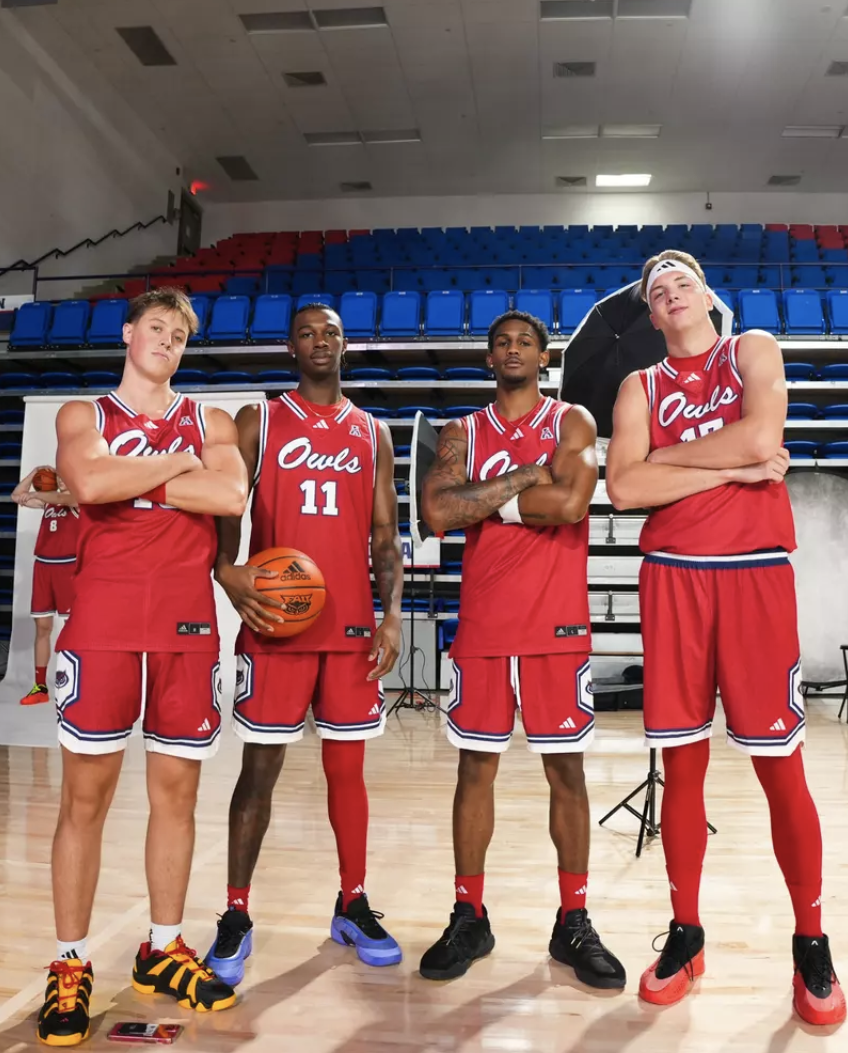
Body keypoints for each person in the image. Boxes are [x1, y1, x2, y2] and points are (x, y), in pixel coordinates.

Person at [605, 250, 845, 1026]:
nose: (669, 292)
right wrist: (734, 468)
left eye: (681, 280)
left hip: (754, 575)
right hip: (672, 578)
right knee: (682, 768)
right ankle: (686, 932)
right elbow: (624, 486)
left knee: (781, 768)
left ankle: (812, 941)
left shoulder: (752, 350)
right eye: (656, 290)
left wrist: (676, 458)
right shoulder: (638, 386)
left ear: (707, 294)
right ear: (651, 316)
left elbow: (759, 436)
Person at [36, 288, 248, 1048]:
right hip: (102, 626)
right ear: (129, 334)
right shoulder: (82, 417)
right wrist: (173, 468)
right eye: (155, 327)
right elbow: (86, 484)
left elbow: (229, 493)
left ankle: (162, 947)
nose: (167, 339)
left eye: (180, 333)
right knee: (83, 802)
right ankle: (70, 961)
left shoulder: (212, 422)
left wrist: (134, 473)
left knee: (177, 797)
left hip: (188, 627)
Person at [416, 310, 625, 988]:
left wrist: (487, 499)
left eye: (525, 343)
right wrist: (525, 479)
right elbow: (438, 512)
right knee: (474, 771)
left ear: (544, 358)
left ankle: (573, 920)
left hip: (555, 626)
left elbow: (570, 505)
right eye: (501, 342)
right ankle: (469, 912)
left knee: (566, 774)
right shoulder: (461, 432)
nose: (513, 350)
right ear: (488, 359)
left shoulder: (574, 423)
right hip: (482, 625)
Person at [206, 302, 404, 985]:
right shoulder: (260, 419)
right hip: (275, 622)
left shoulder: (372, 431)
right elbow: (225, 508)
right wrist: (227, 572)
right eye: (307, 333)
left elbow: (385, 535)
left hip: (350, 627)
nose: (320, 342)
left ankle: (352, 900)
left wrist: (392, 614)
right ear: (290, 347)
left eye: (330, 333)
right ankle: (235, 913)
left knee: (347, 774)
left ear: (346, 345)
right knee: (258, 772)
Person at [12, 465, 79, 705]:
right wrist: (33, 474)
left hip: (68, 567)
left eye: (64, 477)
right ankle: (40, 687)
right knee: (42, 627)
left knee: (74, 627)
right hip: (43, 567)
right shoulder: (48, 503)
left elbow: (63, 497)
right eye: (57, 477)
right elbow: (16, 495)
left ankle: (74, 681)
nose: (60, 480)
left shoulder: (77, 501)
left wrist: (38, 492)